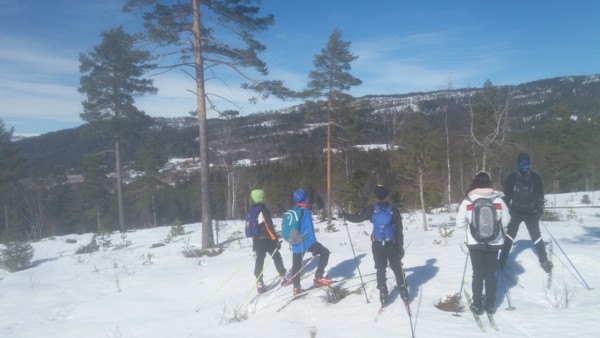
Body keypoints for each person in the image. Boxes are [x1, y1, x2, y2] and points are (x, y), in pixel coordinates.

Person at [343, 185, 408, 306]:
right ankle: (403, 290)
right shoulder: (394, 209)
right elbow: (399, 230)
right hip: (392, 244)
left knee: (380, 268)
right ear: (386, 195)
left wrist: (346, 215)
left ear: (376, 196)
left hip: (377, 245)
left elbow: (358, 218)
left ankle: (383, 292)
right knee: (397, 267)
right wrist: (400, 247)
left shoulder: (371, 209)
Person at [456, 171, 509, 315]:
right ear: (489, 183)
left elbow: (460, 223)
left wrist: (471, 228)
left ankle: (477, 304)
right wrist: (497, 227)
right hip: (494, 241)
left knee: (478, 274)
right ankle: (491, 305)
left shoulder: (468, 201)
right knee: (491, 274)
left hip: (475, 242)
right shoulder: (497, 200)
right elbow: (507, 219)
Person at [498, 153, 553, 274]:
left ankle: (502, 260)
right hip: (532, 212)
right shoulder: (536, 177)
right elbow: (540, 195)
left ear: (517, 162)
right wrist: (539, 211)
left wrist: (510, 210)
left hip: (515, 212)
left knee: (510, 236)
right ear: (529, 162)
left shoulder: (512, 177)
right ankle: (544, 261)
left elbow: (506, 195)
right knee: (536, 237)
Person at [290, 189, 332, 296]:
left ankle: (296, 287)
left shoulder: (293, 211)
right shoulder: (305, 211)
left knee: (296, 264)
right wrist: (313, 244)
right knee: (325, 252)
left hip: (295, 241)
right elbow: (309, 228)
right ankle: (319, 277)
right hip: (306, 241)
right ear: (305, 199)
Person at [248, 189, 288, 293]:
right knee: (277, 257)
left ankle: (259, 282)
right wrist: (275, 239)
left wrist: (254, 243)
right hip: (267, 240)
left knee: (259, 261)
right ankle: (283, 277)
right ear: (262, 197)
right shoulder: (264, 210)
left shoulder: (251, 211)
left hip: (257, 240)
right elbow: (269, 227)